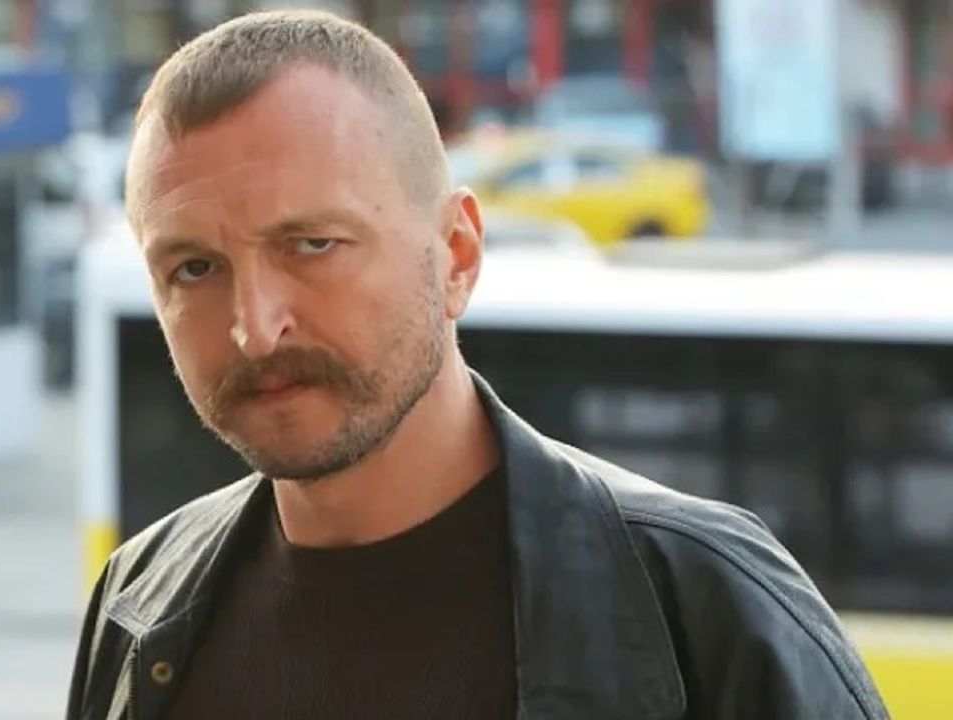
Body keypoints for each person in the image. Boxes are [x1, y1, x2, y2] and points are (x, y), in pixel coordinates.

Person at [67, 10, 888, 720]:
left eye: (312, 244)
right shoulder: (139, 604)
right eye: (194, 269)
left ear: (456, 254)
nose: (255, 328)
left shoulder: (706, 609)